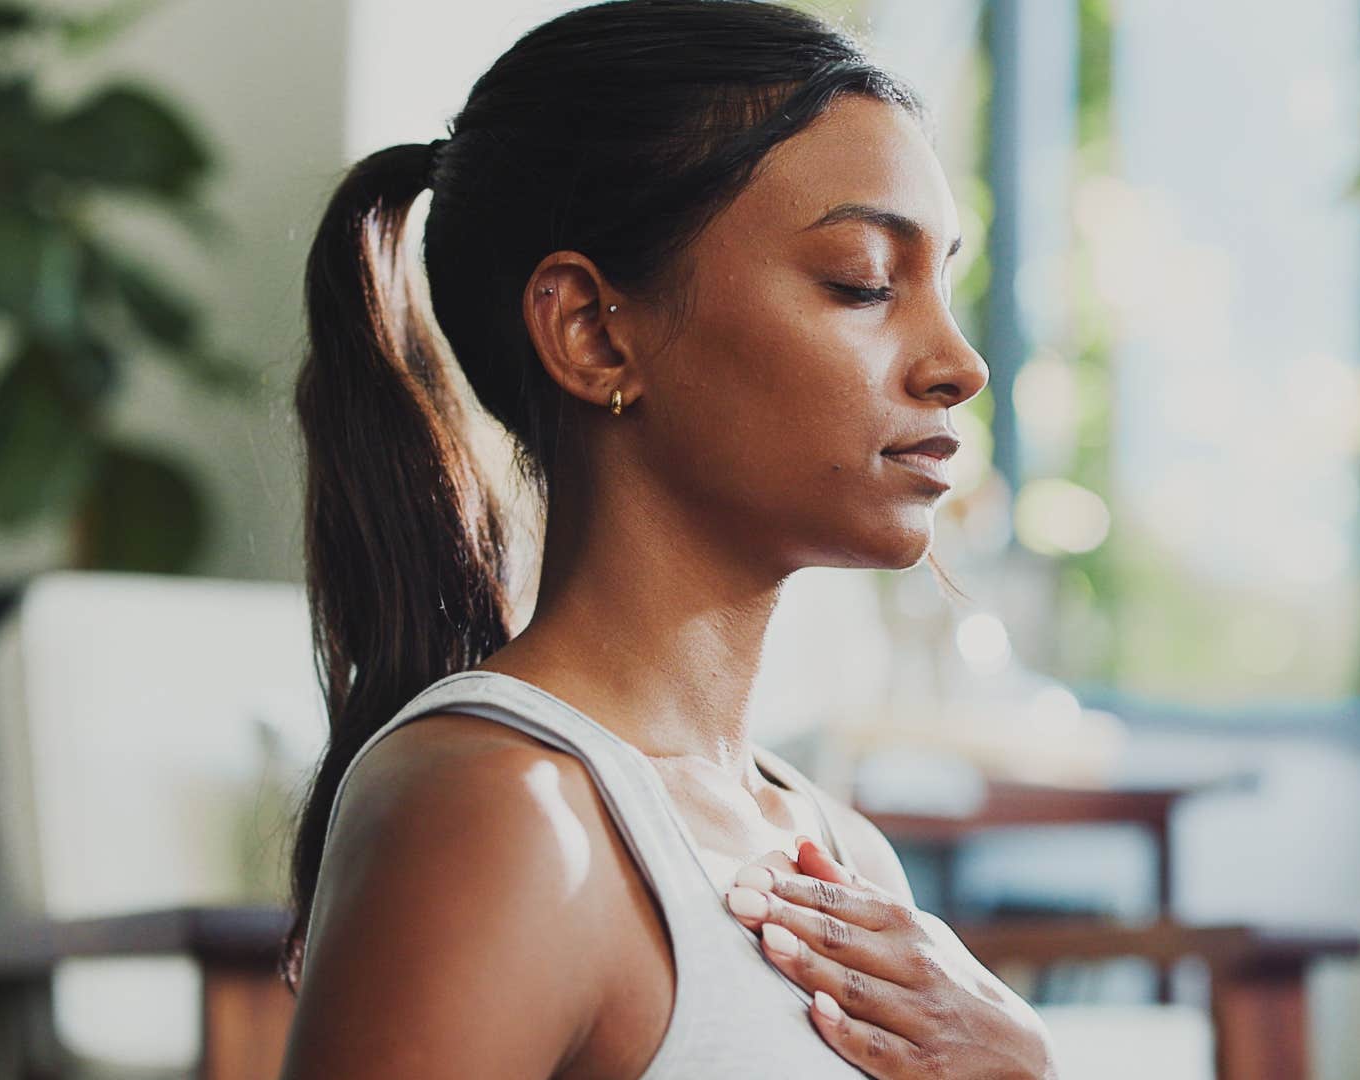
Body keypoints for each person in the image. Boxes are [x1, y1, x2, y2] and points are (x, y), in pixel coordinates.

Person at [277, 1, 1058, 1076]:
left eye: (945, 285)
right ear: (593, 333)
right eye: (865, 282)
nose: (960, 364)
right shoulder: (504, 814)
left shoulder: (844, 856)